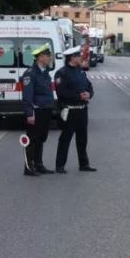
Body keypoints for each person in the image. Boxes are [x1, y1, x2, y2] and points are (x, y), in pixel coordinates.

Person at [55, 46, 97, 174]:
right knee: (65, 138)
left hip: (82, 110)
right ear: (72, 58)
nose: (81, 58)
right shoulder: (62, 73)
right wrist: (78, 96)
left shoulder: (80, 71)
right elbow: (61, 92)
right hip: (69, 110)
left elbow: (89, 86)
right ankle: (60, 165)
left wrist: (89, 94)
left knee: (82, 139)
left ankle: (84, 164)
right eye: (79, 56)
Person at [21, 44, 56, 176]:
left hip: (45, 110)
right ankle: (28, 167)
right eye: (48, 56)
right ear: (40, 57)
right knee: (32, 139)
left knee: (41, 138)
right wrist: (30, 113)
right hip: (36, 111)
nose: (50, 58)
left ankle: (39, 164)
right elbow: (27, 95)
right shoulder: (30, 74)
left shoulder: (45, 73)